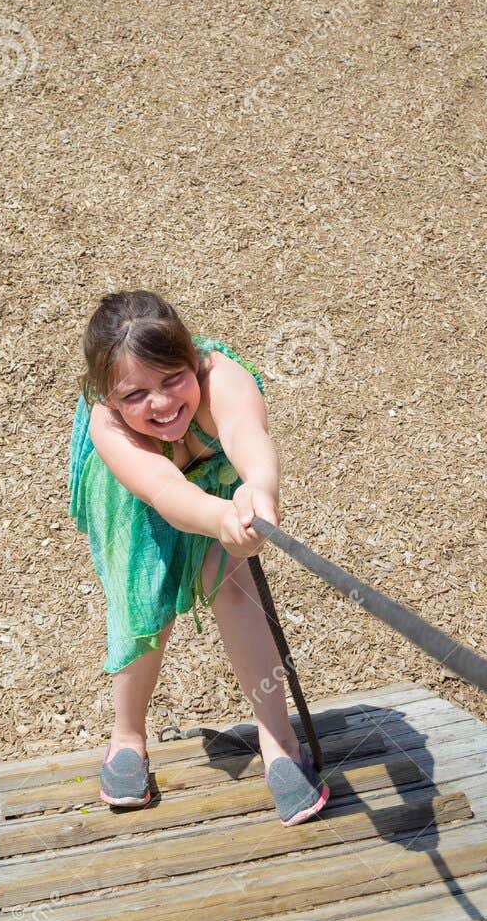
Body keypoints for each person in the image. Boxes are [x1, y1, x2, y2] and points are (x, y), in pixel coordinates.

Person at [67, 290, 329, 825]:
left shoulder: (222, 379)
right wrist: (217, 520)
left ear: (193, 360)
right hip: (139, 495)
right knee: (147, 599)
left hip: (216, 478)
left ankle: (280, 745)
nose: (160, 404)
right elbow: (165, 491)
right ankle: (127, 735)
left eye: (171, 380)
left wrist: (258, 490)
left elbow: (243, 433)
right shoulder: (110, 427)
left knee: (235, 586)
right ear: (109, 398)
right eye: (135, 394)